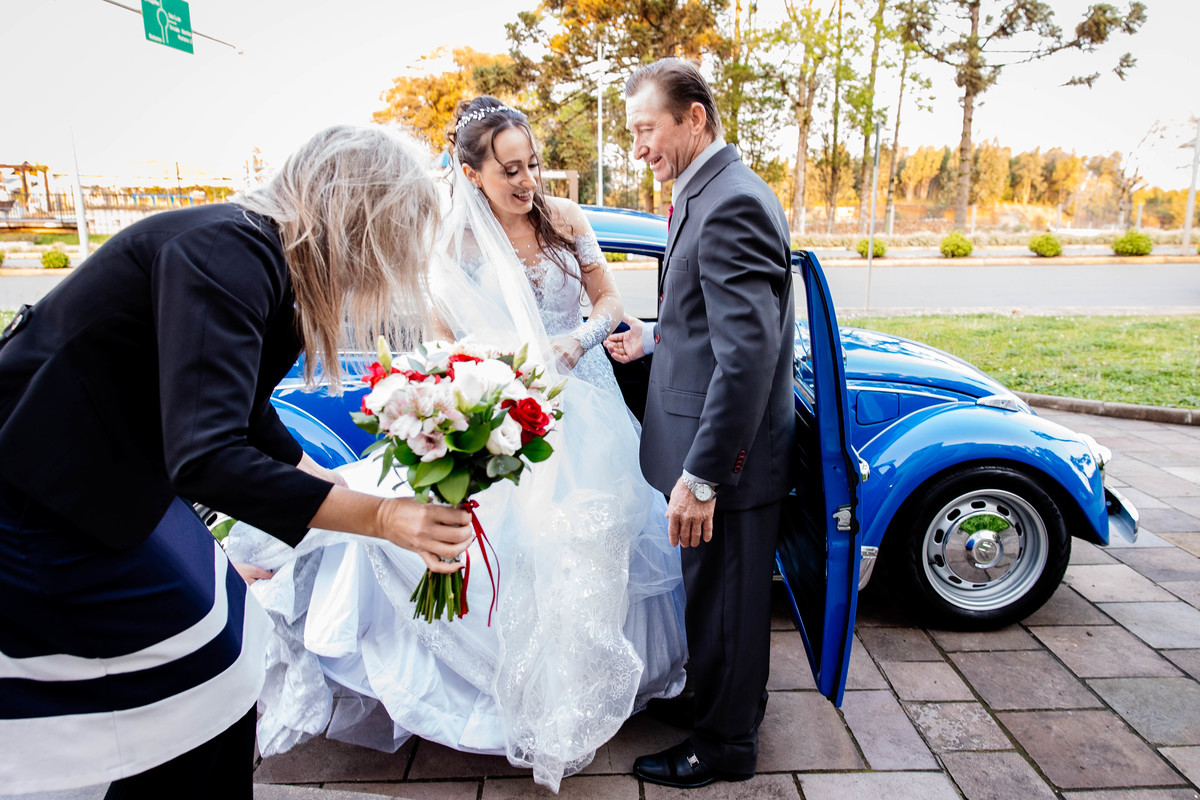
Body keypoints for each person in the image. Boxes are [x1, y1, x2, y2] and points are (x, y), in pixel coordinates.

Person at [224, 96, 687, 794]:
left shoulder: (566, 219)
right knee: (497, 553)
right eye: (509, 170)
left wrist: (581, 338)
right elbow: (446, 346)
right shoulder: (452, 242)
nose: (528, 180)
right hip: (503, 409)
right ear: (470, 173)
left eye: (532, 164)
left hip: (584, 406)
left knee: (590, 545)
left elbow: (610, 303)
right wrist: (487, 392)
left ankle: (588, 686)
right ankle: (486, 705)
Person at [0, 124, 474, 798]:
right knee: (199, 674)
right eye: (397, 239)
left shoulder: (256, 257)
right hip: (38, 507)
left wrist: (326, 484)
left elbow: (242, 411)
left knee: (230, 644)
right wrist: (384, 518)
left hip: (109, 492)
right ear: (363, 219)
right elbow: (208, 455)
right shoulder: (227, 253)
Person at [605, 58, 796, 789]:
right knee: (714, 599)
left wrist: (704, 475)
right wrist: (658, 339)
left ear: (695, 119)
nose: (640, 147)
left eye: (648, 129)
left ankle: (726, 746)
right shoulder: (710, 190)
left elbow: (747, 359)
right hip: (715, 450)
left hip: (728, 462)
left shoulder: (730, 203)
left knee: (730, 603)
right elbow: (716, 327)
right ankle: (715, 699)